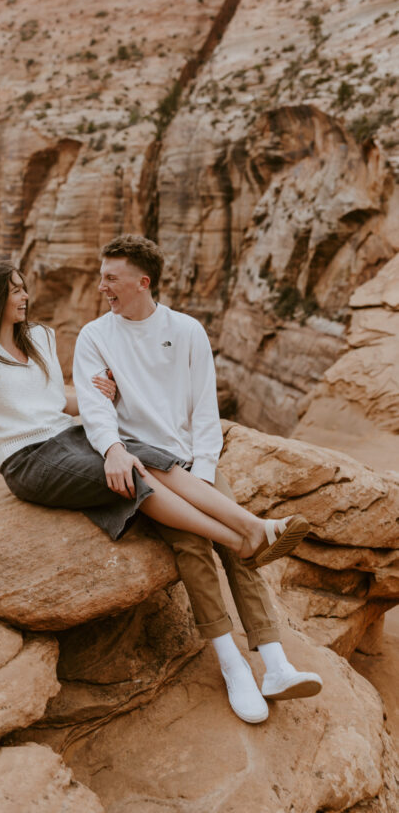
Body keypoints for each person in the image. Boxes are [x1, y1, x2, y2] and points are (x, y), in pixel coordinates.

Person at [0, 262, 311, 634]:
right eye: (15, 290)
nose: (25, 296)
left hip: (69, 435)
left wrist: (97, 399)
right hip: (29, 460)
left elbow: (53, 404)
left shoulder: (39, 338)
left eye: (23, 288)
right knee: (131, 476)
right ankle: (235, 540)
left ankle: (256, 527)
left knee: (148, 456)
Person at [72, 234, 323, 724]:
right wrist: (113, 448)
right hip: (145, 465)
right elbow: (97, 410)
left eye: (111, 278)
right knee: (193, 548)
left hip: (192, 463)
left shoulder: (186, 331)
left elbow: (206, 411)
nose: (102, 286)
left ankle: (275, 663)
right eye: (102, 276)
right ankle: (232, 665)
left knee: (241, 549)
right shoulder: (94, 336)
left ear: (143, 282)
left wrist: (205, 472)